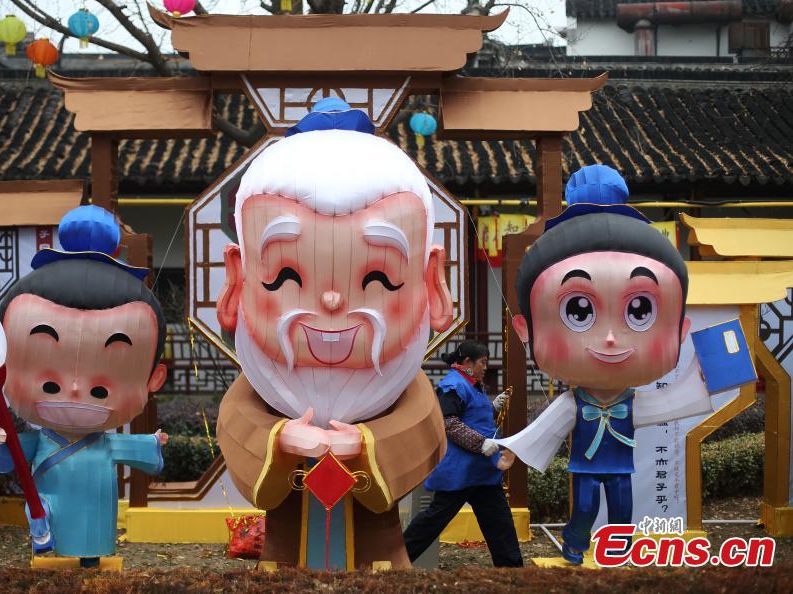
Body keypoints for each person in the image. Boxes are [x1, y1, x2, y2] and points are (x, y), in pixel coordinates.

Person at [215, 99, 454, 570]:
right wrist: (279, 440)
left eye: (378, 278)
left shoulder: (400, 388)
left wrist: (366, 445)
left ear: (432, 287)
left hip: (378, 556)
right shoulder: (262, 387)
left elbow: (426, 423)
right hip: (284, 554)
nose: (330, 302)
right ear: (236, 284)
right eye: (286, 276)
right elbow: (236, 420)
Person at [495, 164, 717, 564]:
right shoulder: (574, 402)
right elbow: (542, 431)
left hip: (620, 468)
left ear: (680, 330)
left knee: (622, 512)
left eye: (640, 310)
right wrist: (511, 453)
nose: (611, 338)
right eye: (578, 310)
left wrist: (708, 375)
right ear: (526, 330)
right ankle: (574, 547)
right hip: (583, 466)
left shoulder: (631, 401)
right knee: (583, 508)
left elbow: (675, 404)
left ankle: (619, 552)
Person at [0, 205, 169, 567]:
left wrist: (153, 443)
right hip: (52, 503)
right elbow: (7, 463)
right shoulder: (42, 441)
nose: (73, 390)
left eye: (100, 390)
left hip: (95, 509)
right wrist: (3, 443)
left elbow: (139, 454)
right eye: (50, 384)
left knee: (92, 540)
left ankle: (91, 561)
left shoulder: (102, 443)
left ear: (153, 379)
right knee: (51, 532)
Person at [403, 340, 524, 567]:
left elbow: (472, 416)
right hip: (460, 471)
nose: (486, 367)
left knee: (500, 524)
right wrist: (480, 443)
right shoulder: (453, 385)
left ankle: (512, 572)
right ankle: (395, 561)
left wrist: (493, 408)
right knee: (432, 522)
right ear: (468, 361)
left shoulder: (470, 384)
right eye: (483, 362)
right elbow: (448, 422)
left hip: (483, 472)